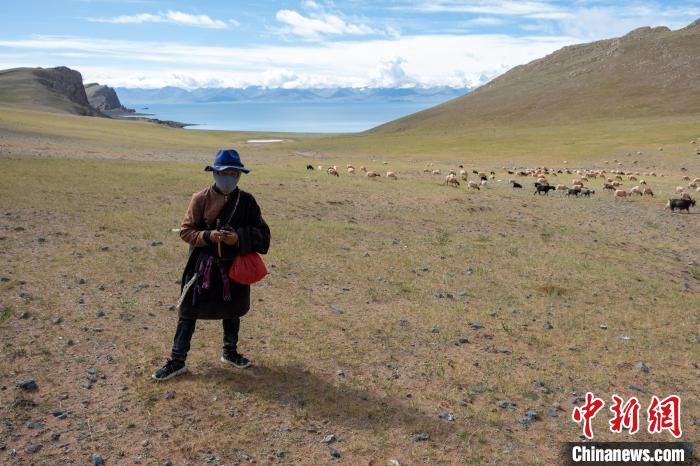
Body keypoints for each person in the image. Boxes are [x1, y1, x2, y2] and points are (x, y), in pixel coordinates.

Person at [152, 149, 271, 381]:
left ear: (239, 175)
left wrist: (237, 238)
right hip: (202, 267)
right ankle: (177, 361)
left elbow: (263, 234)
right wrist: (208, 236)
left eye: (234, 173)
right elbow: (186, 231)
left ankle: (230, 352)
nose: (230, 177)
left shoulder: (247, 201)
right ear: (215, 173)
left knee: (233, 311)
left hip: (233, 267)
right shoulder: (200, 199)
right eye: (225, 172)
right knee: (188, 312)